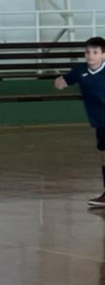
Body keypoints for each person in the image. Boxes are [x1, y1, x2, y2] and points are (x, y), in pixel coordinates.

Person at [53, 36, 105, 205]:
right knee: (103, 155)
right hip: (99, 120)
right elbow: (64, 81)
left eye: (95, 52)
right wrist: (60, 82)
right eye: (87, 52)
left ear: (103, 55)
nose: (90, 55)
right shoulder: (80, 71)